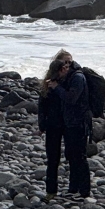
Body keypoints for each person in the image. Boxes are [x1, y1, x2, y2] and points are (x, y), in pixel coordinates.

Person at [43, 58, 92, 198]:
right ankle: (74, 188)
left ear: (64, 69)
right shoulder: (69, 77)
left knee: (80, 157)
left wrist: (56, 87)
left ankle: (84, 191)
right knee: (72, 156)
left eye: (57, 74)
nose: (57, 78)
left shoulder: (77, 78)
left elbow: (71, 98)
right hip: (70, 123)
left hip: (79, 122)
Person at [36, 60, 67, 201]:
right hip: (58, 124)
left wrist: (42, 125)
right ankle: (51, 190)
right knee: (53, 159)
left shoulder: (64, 82)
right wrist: (42, 126)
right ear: (60, 70)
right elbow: (42, 107)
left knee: (54, 159)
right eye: (65, 67)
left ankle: (52, 191)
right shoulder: (54, 84)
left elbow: (41, 108)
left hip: (58, 124)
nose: (67, 69)